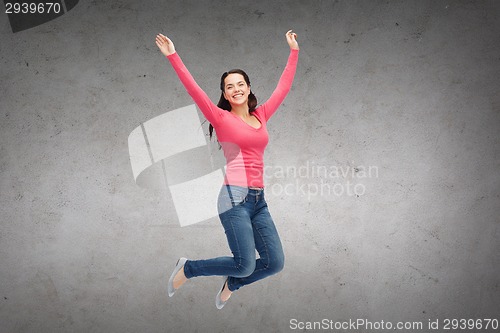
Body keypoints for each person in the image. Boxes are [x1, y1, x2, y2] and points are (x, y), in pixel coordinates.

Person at [156, 30, 299, 309]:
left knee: (275, 263)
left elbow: (283, 87)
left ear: (248, 87)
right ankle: (188, 268)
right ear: (224, 93)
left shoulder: (261, 115)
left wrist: (294, 51)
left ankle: (232, 283)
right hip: (233, 198)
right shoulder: (220, 118)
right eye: (229, 86)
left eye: (240, 84)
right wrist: (173, 56)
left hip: (259, 200)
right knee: (244, 264)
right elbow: (193, 89)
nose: (236, 89)